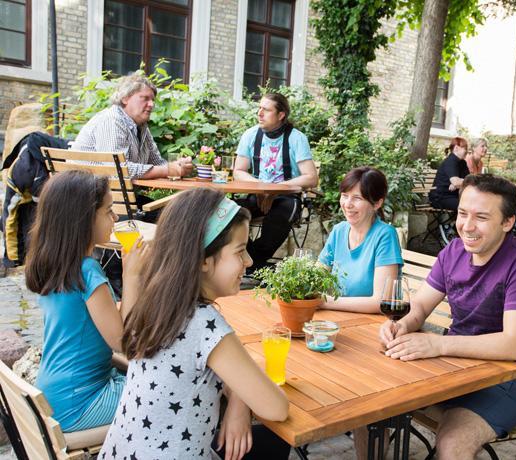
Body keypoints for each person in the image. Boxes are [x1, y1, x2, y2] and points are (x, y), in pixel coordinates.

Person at [99, 188, 290, 459]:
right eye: (240, 251)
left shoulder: (157, 302)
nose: (249, 261)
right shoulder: (204, 323)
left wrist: (237, 400)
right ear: (202, 260)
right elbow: (276, 408)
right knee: (276, 440)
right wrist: (239, 398)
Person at [380, 174, 516, 460]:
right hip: (451, 371)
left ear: (507, 222)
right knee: (372, 405)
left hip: (504, 383)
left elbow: (515, 345)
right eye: (462, 213)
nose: (467, 226)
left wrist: (437, 345)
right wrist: (401, 325)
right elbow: (419, 306)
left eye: (481, 217)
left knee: (453, 442)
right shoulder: (454, 251)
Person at [25, 170, 145, 432]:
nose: (115, 218)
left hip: (57, 392)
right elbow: (123, 342)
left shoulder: (57, 266)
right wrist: (132, 274)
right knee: (171, 392)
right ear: (83, 219)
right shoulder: (86, 271)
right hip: (80, 402)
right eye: (108, 210)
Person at [234, 92, 318, 275]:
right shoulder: (250, 135)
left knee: (279, 218)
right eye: (259, 108)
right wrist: (261, 188)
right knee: (227, 211)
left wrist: (274, 190)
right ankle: (256, 266)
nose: (259, 113)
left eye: (266, 109)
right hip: (256, 194)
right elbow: (238, 171)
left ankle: (250, 264)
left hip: (286, 196)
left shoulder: (296, 138)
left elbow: (311, 177)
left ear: (281, 115)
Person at [72, 73, 193, 180]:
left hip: (113, 196)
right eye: (145, 98)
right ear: (125, 98)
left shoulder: (142, 126)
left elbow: (157, 163)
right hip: (89, 199)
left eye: (152, 100)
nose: (151, 104)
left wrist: (177, 166)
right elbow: (117, 170)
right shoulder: (112, 120)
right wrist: (168, 170)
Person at [318, 167, 403, 313]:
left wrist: (325, 302)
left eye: (357, 198)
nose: (347, 204)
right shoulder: (339, 231)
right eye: (345, 195)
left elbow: (381, 302)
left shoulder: (385, 235)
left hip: (374, 325)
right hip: (339, 318)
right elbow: (315, 276)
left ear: (377, 203)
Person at [429, 137, 470, 210]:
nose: (467, 151)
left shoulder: (462, 163)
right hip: (440, 198)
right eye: (465, 148)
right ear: (456, 148)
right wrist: (457, 183)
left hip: (454, 196)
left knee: (475, 203)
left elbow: (470, 179)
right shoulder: (450, 161)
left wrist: (459, 183)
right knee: (467, 205)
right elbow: (458, 182)